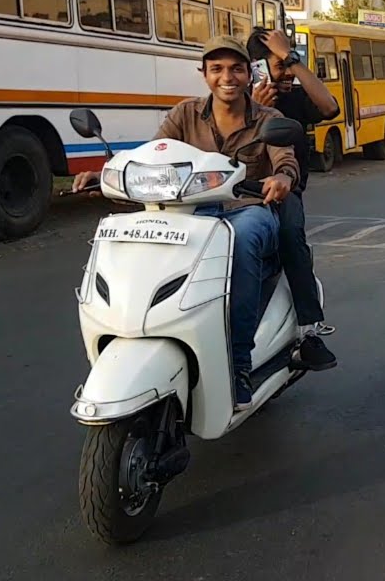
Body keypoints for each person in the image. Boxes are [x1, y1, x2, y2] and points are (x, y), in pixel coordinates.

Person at [72, 36, 299, 411]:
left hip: (246, 209)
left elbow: (285, 159)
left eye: (236, 69)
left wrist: (283, 178)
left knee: (241, 238)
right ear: (204, 74)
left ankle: (238, 361)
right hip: (189, 213)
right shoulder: (184, 114)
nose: (227, 77)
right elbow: (152, 155)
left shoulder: (268, 119)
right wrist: (105, 174)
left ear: (248, 74)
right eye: (217, 69)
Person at [245, 26, 341, 372]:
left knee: (290, 236)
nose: (286, 74)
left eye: (288, 64)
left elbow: (330, 107)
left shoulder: (296, 99)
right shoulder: (237, 102)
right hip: (231, 194)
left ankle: (308, 329)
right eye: (278, 65)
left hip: (282, 192)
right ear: (256, 68)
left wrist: (293, 59)